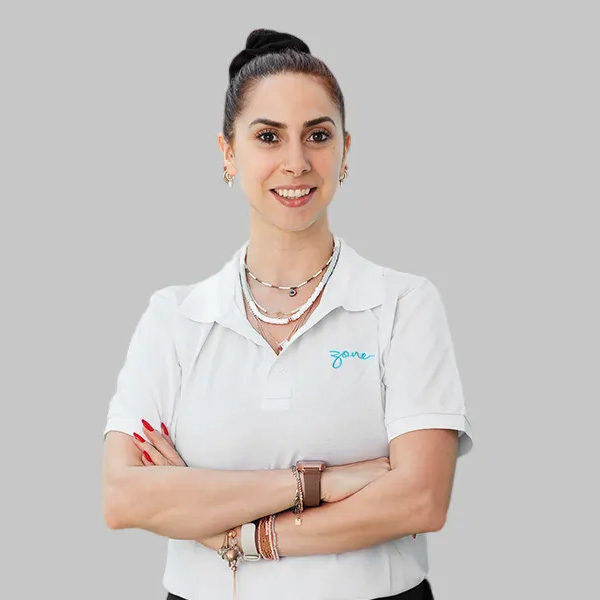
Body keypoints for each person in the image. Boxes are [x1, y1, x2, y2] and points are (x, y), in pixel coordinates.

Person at [102, 28, 474, 600]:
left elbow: (420, 499)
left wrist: (240, 534)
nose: (296, 163)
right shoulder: (175, 318)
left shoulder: (403, 305)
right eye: (268, 137)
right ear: (228, 152)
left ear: (346, 150)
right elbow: (124, 498)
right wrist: (322, 484)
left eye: (317, 136)